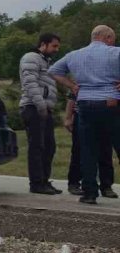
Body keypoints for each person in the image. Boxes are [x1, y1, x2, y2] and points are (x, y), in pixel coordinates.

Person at [49, 25, 120, 204]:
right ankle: (105, 185)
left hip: (85, 104)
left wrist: (72, 85)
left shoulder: (74, 55)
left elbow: (54, 71)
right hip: (111, 102)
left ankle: (89, 193)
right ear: (108, 37)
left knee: (88, 150)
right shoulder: (115, 53)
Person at [19, 32, 62, 195]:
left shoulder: (45, 61)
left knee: (49, 146)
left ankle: (44, 181)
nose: (56, 49)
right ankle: (36, 183)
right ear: (43, 44)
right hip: (33, 107)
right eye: (54, 46)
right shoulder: (31, 58)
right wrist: (40, 105)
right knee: (37, 147)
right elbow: (30, 82)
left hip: (43, 108)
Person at [63, 90, 116, 196]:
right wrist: (68, 117)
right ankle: (74, 183)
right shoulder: (83, 75)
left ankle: (106, 186)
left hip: (106, 115)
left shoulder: (112, 77)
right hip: (83, 113)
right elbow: (72, 96)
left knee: (105, 151)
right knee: (79, 150)